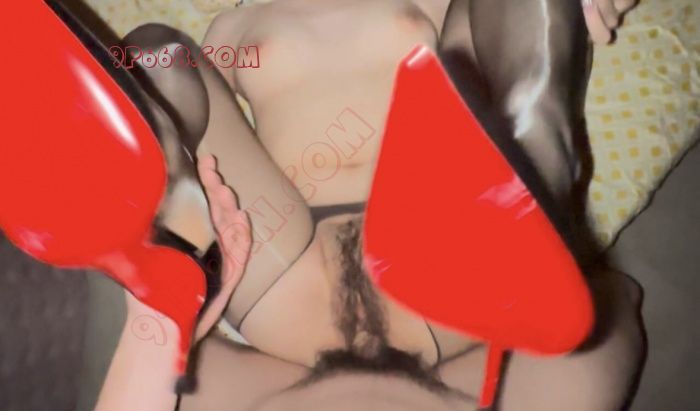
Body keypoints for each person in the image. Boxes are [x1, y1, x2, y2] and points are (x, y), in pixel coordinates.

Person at [95, 0, 643, 409]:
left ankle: (538, 146)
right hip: (286, 267)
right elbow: (180, 73)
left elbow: (494, 27)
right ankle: (162, 196)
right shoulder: (234, 27)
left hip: (428, 252)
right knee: (154, 48)